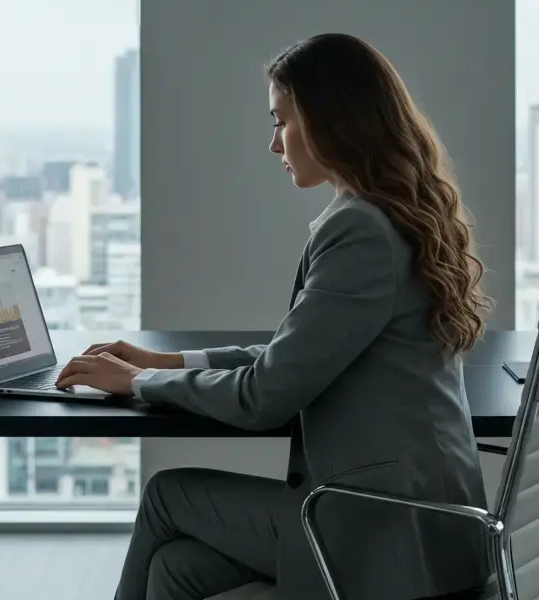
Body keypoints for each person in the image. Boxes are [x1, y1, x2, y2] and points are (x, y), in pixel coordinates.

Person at [56, 33, 495, 600]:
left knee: (168, 495)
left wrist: (140, 383)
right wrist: (165, 360)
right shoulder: (390, 214)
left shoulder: (360, 229)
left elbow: (265, 396)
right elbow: (300, 357)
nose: (273, 144)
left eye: (281, 121)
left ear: (331, 121)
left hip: (384, 530)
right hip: (423, 521)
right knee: (175, 568)